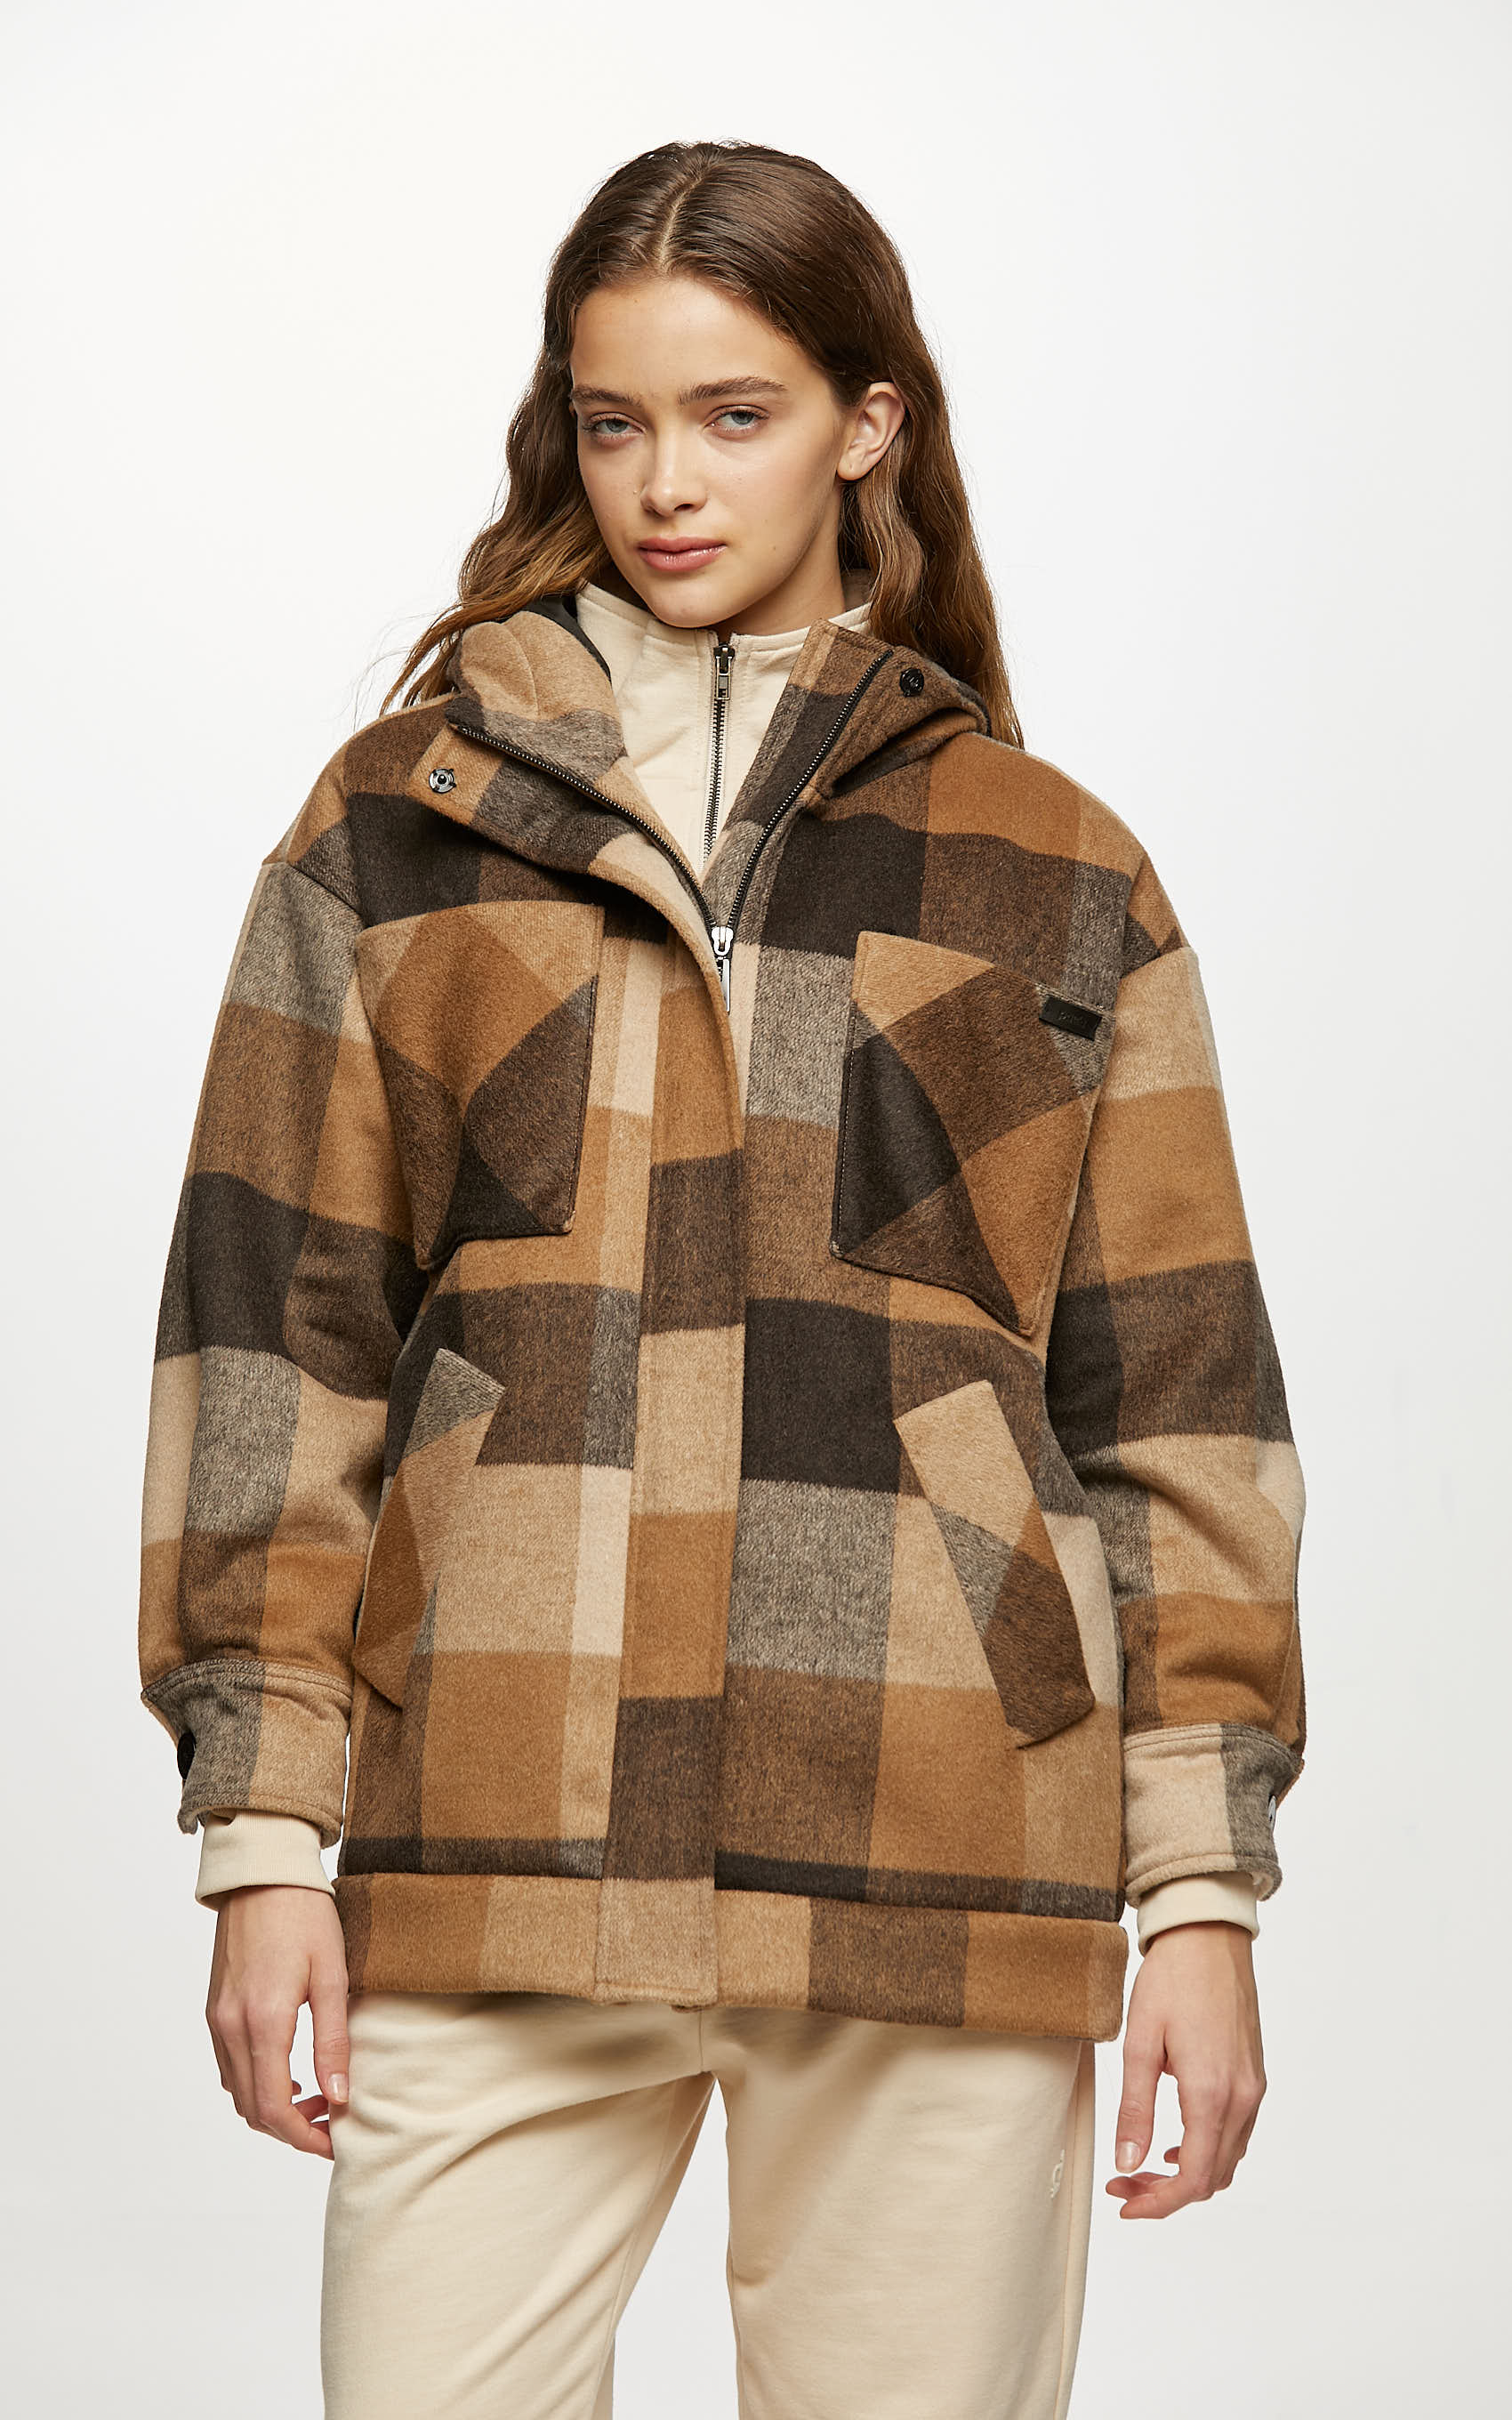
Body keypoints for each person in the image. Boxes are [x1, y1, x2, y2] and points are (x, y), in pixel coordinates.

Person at [137, 138, 1307, 2420]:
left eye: (735, 414)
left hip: (934, 1836)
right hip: (496, 1825)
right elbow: (274, 1343)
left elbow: (1174, 1407)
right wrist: (262, 1836)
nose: (666, 482)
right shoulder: (396, 829)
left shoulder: (1052, 868)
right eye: (615, 420)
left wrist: (1199, 1895)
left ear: (869, 422)